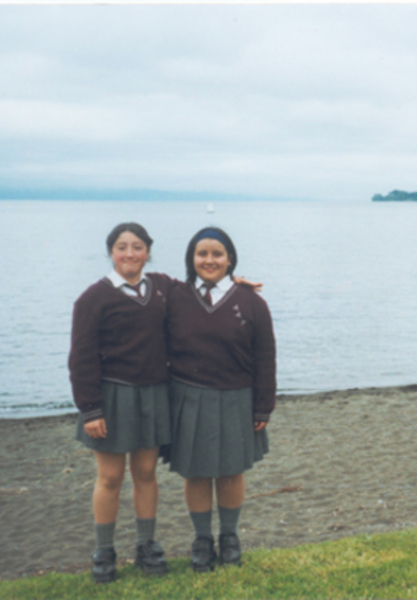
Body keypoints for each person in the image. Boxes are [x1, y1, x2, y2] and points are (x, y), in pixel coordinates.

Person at [167, 227, 276, 572]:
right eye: (202, 254)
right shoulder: (174, 297)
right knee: (196, 473)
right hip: (188, 396)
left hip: (236, 398)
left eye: (218, 254)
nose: (209, 260)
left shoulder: (252, 303)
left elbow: (265, 358)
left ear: (230, 258)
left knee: (231, 471)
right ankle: (202, 539)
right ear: (191, 259)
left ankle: (229, 537)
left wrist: (263, 406)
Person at [69, 223, 172, 583]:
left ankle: (146, 546)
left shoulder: (161, 288)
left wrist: (237, 282)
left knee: (145, 473)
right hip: (111, 397)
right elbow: (81, 358)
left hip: (153, 393)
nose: (130, 253)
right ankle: (104, 551)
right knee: (110, 477)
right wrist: (91, 409)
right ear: (111, 252)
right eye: (122, 247)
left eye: (138, 247)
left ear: (148, 252)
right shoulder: (93, 298)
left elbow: (200, 288)